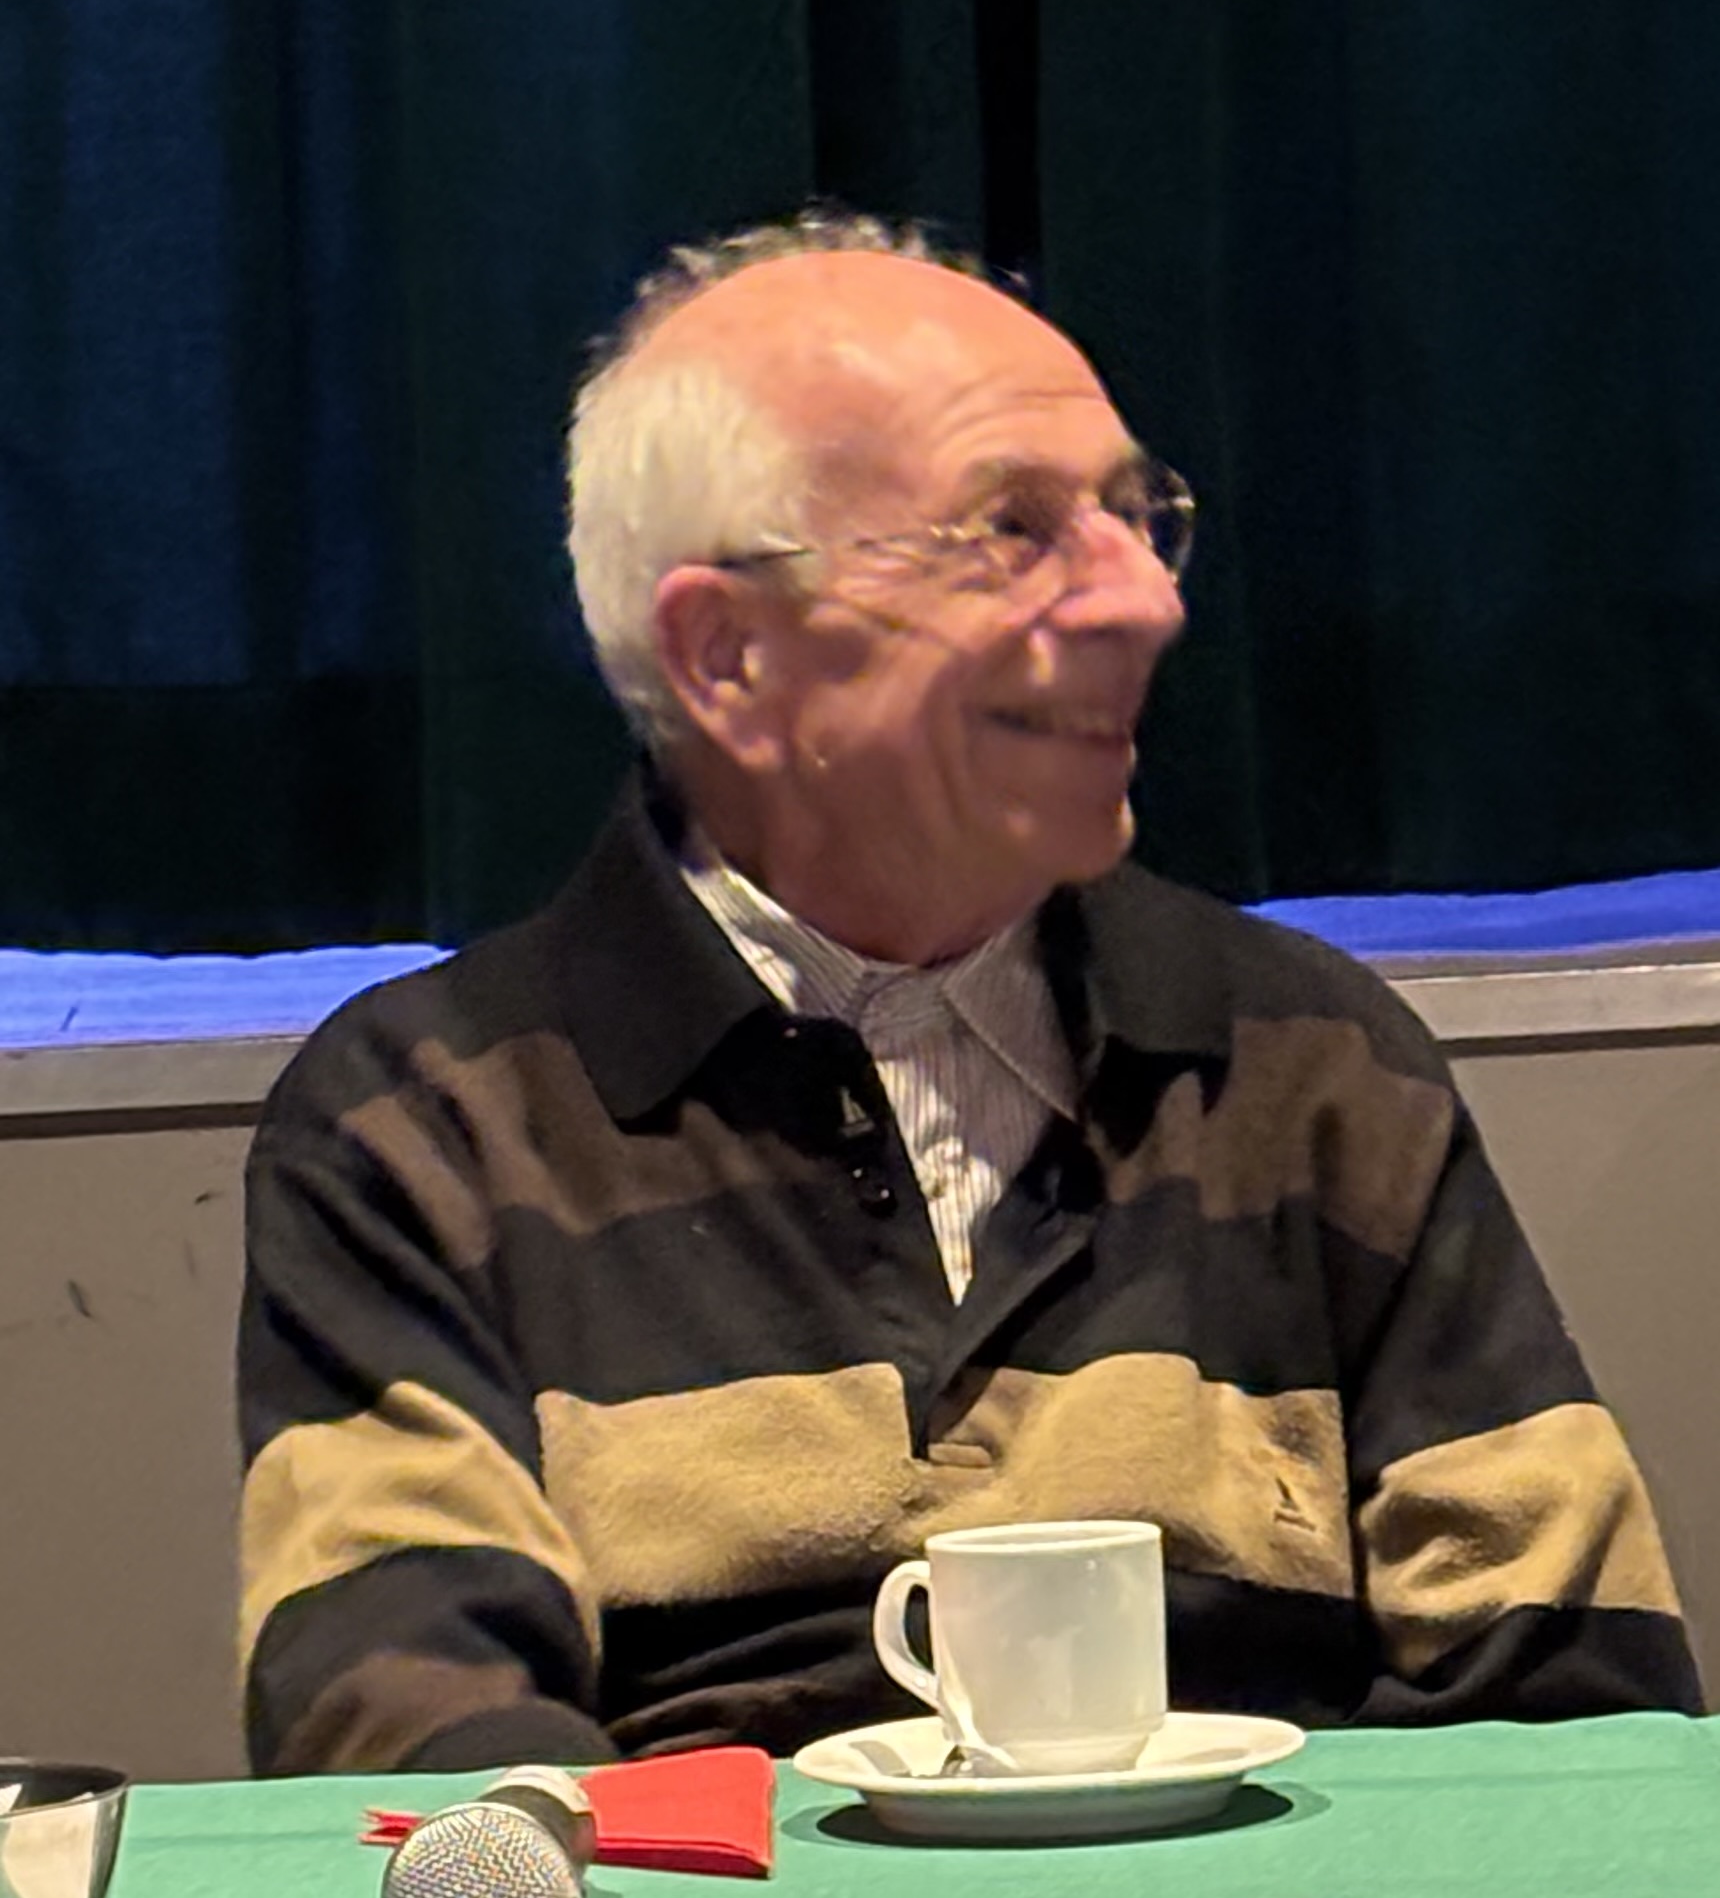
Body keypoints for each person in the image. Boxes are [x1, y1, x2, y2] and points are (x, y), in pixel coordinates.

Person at [237, 210, 1700, 1775]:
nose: (1145, 604)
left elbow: (1582, 1719)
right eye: (1012, 529)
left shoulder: (1316, 1065)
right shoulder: (421, 1127)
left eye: (1137, 516)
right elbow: (425, 1771)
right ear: (728, 656)